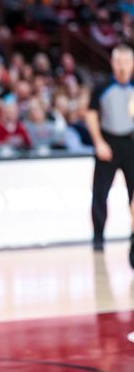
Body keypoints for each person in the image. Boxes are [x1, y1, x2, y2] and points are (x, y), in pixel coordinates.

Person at [86, 43, 134, 261]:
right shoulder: (102, 86)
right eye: (118, 61)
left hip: (131, 143)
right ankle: (98, 238)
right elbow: (91, 114)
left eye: (126, 61)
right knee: (100, 193)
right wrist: (99, 142)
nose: (122, 66)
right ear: (112, 63)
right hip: (108, 143)